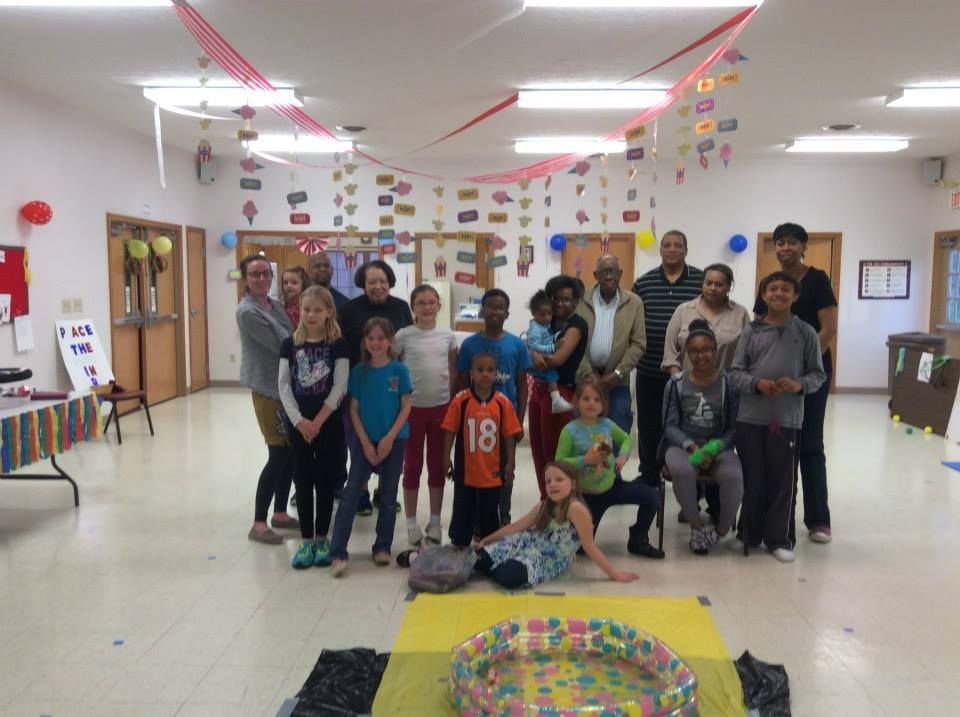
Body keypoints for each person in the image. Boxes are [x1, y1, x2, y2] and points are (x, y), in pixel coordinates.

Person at [729, 272, 826, 563]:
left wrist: (799, 386)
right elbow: (735, 373)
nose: (779, 294)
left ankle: (779, 538)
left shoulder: (806, 332)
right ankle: (749, 534)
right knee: (752, 478)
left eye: (786, 289)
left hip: (787, 419)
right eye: (773, 289)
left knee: (783, 480)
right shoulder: (751, 331)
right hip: (750, 417)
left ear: (795, 296)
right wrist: (756, 384)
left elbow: (818, 374)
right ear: (763, 294)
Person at [754, 222, 837, 545]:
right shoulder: (770, 283)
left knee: (811, 445)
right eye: (780, 243)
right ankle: (776, 515)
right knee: (777, 445)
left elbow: (828, 329)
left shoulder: (817, 280)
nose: (785, 248)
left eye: (791, 243)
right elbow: (760, 328)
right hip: (774, 375)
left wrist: (801, 365)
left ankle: (818, 519)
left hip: (810, 375)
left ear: (804, 247)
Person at [330, 318, 412, 576]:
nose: (376, 343)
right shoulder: (358, 372)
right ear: (365, 342)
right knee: (351, 494)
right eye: (371, 338)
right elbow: (353, 410)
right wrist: (365, 443)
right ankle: (338, 552)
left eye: (381, 338)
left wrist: (389, 438)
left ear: (390, 341)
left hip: (394, 441)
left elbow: (406, 406)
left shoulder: (399, 371)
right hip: (365, 441)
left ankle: (382, 546)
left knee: (388, 497)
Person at [476, 461, 639, 589]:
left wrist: (614, 574)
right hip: (527, 543)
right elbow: (515, 527)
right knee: (480, 557)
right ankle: (496, 563)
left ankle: (499, 566)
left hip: (547, 559)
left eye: (559, 480)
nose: (552, 484)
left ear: (573, 484)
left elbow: (589, 546)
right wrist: (487, 540)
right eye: (548, 481)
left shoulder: (576, 509)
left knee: (508, 577)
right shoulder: (544, 505)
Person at [278, 286, 349, 568]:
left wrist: (318, 421)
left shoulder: (338, 344)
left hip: (328, 424)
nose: (311, 314)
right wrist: (299, 421)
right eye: (307, 309)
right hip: (299, 425)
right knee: (303, 480)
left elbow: (340, 384)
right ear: (299, 310)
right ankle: (307, 541)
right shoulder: (289, 344)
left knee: (325, 481)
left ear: (329, 312)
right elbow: (283, 385)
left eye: (318, 310)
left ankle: (322, 538)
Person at [660, 320, 743, 555]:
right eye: (694, 351)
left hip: (719, 446)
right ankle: (697, 527)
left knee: (733, 475)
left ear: (715, 350)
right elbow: (669, 426)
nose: (700, 355)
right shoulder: (676, 384)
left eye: (706, 349)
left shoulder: (729, 384)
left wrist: (715, 449)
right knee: (683, 470)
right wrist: (692, 447)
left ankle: (720, 531)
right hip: (683, 445)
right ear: (687, 353)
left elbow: (733, 428)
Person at [555, 379, 663, 559]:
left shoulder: (607, 424)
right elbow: (559, 463)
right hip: (585, 495)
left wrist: (622, 456)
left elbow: (627, 439)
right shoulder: (569, 431)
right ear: (577, 402)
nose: (591, 403)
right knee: (581, 549)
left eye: (597, 399)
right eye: (586, 398)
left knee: (652, 496)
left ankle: (638, 538)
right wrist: (585, 460)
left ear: (604, 404)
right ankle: (580, 534)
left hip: (612, 487)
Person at [338, 260, 413, 514]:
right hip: (360, 384)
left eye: (383, 281)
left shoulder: (401, 308)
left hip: (391, 385)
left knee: (389, 436)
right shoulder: (349, 310)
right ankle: (361, 490)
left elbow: (406, 346)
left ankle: (385, 490)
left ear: (390, 282)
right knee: (358, 440)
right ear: (363, 284)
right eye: (372, 282)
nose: (378, 286)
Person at [632, 230, 705, 486]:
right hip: (650, 369)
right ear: (660, 250)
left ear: (686, 250)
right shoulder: (644, 282)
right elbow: (634, 320)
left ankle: (692, 483)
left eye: (678, 245)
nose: (672, 249)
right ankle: (650, 476)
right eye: (667, 245)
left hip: (690, 374)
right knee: (649, 426)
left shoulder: (701, 279)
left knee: (692, 427)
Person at [236, 255, 299, 544]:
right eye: (254, 274)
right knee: (278, 454)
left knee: (289, 454)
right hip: (267, 390)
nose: (261, 279)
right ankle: (259, 522)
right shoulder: (247, 312)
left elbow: (292, 333)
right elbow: (282, 343)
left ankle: (281, 513)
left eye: (265, 273)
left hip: (286, 387)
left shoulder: (273, 305)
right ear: (245, 279)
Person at [456, 289, 531, 525]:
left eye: (500, 308)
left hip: (505, 422)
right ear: (482, 310)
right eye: (490, 307)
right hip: (475, 422)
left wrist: (518, 420)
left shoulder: (517, 345)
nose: (495, 311)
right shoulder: (469, 345)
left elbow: (522, 385)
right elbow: (461, 384)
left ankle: (503, 517)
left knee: (506, 470)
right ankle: (480, 520)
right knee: (478, 471)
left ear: (507, 313)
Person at [395, 284, 458, 546]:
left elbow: (453, 371)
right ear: (413, 307)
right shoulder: (403, 336)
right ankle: (411, 523)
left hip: (441, 408)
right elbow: (394, 371)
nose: (426, 307)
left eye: (431, 302)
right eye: (421, 303)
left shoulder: (448, 336)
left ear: (439, 305)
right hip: (412, 410)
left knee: (437, 465)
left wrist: (451, 403)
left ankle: (434, 521)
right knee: (411, 466)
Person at [443, 353, 523, 548]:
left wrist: (510, 463)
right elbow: (449, 430)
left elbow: (509, 435)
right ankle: (459, 543)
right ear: (471, 373)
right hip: (466, 470)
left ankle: (489, 545)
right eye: (480, 370)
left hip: (492, 471)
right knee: (463, 508)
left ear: (496, 374)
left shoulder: (503, 403)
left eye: (490, 370)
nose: (485, 374)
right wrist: (446, 457)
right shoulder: (461, 401)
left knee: (489, 511)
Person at [576, 255, 646, 450]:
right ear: (595, 275)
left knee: (617, 438)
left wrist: (617, 374)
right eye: (604, 271)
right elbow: (572, 341)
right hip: (585, 382)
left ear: (620, 273)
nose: (609, 276)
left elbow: (639, 344)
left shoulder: (634, 303)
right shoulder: (581, 299)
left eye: (613, 271)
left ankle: (613, 480)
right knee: (584, 440)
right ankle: (586, 480)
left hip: (618, 383)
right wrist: (589, 374)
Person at [528, 275, 588, 497]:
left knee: (556, 455)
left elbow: (557, 360)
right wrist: (532, 353)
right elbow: (528, 345)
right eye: (556, 299)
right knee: (539, 453)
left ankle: (562, 507)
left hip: (560, 393)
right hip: (538, 391)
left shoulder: (577, 325)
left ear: (576, 301)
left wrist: (533, 355)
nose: (560, 304)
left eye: (566, 299)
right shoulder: (546, 320)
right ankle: (546, 502)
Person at [662, 263, 749, 374]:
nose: (712, 288)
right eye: (708, 283)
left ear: (728, 287)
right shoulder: (683, 311)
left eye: (719, 284)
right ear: (702, 284)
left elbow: (747, 354)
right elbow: (670, 352)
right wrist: (679, 381)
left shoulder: (740, 314)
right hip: (687, 385)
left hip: (726, 386)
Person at [524, 290, 574, 414]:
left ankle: (556, 399)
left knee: (550, 374)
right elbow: (535, 346)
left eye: (549, 314)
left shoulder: (543, 326)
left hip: (541, 358)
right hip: (535, 360)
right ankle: (556, 400)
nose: (547, 317)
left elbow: (546, 339)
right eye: (542, 314)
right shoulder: (535, 329)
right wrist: (554, 347)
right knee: (551, 374)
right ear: (533, 313)